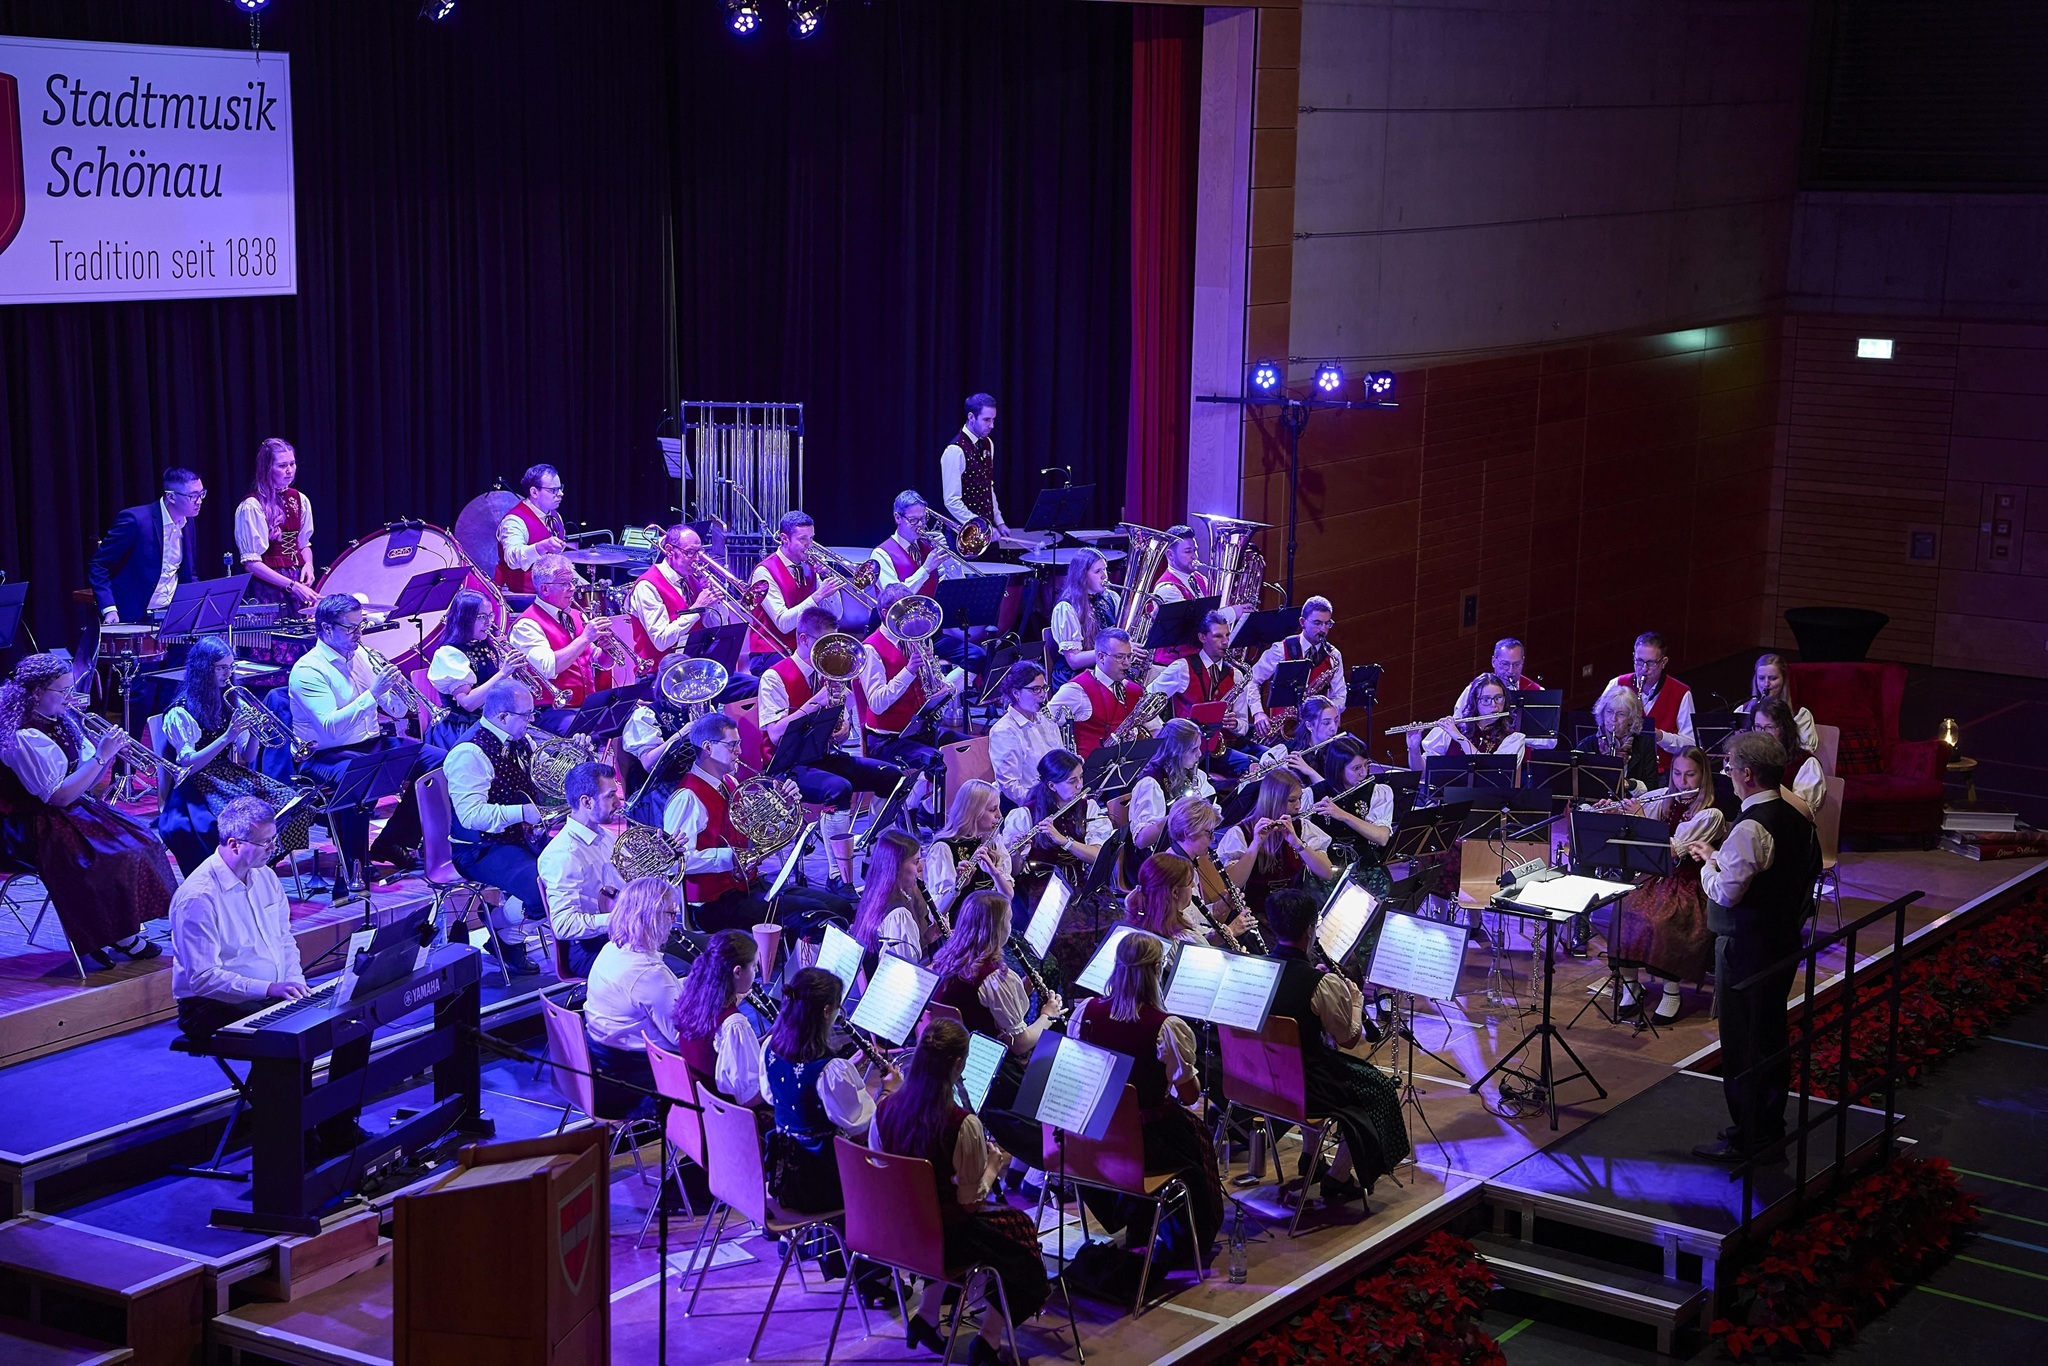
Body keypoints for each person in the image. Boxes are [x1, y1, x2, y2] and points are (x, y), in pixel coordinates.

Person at [169, 796, 369, 1152]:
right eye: (266, 843)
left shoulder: (265, 878)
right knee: (294, 1034)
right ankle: (296, 1144)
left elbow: (284, 940)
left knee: (353, 1020)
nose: (273, 848)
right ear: (234, 844)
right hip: (209, 1005)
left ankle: (339, 1128)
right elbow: (202, 978)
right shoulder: (197, 897)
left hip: (272, 993)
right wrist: (269, 988)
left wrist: (295, 984)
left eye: (274, 839)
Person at [870, 1018, 1051, 1365]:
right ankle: (988, 1340)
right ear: (956, 1065)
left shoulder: (884, 1110)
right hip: (941, 1239)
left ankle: (926, 1316)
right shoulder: (962, 1123)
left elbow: (883, 1170)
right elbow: (968, 1204)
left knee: (950, 1214)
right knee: (1021, 1240)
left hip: (894, 1232)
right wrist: (993, 1166)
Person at [1688, 731, 1819, 1163]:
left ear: (1746, 774)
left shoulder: (1750, 827)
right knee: (1768, 1036)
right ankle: (1766, 1128)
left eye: (1728, 766)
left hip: (1746, 948)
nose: (1726, 773)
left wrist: (1708, 865)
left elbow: (1726, 893)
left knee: (1744, 1044)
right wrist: (1720, 858)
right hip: (1781, 940)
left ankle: (1750, 1138)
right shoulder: (1797, 815)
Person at [0, 652, 173, 968]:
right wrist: (102, 756)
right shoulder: (24, 735)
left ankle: (122, 927)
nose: (69, 697)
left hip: (67, 809)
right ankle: (113, 934)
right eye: (62, 691)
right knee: (109, 856)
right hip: (32, 822)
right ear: (37, 693)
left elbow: (82, 779)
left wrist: (104, 753)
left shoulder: (58, 718)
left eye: (70, 688)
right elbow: (58, 796)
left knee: (144, 839)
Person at [1068, 930, 1224, 1261]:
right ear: (1155, 971)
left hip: (1094, 1137)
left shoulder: (1085, 1014)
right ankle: (1189, 1241)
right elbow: (1189, 1095)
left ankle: (1138, 1220)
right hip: (1146, 1142)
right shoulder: (1166, 1027)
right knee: (1196, 1141)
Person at [1262, 887, 1410, 1201]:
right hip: (1305, 1083)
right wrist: (1355, 1002)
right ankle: (1338, 1177)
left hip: (1259, 1076)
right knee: (1380, 1090)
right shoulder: (1321, 984)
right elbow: (1349, 1039)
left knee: (1310, 1062)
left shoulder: (1255, 968)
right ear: (1309, 931)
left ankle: (1310, 1156)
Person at [287, 595, 440, 877]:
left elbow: (395, 711)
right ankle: (355, 864)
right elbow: (331, 726)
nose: (359, 634)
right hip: (324, 754)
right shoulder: (308, 670)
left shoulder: (363, 657)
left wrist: (395, 691)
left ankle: (393, 842)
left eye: (361, 626)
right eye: (351, 628)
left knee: (440, 763)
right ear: (326, 628)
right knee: (361, 778)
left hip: (370, 744)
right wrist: (373, 692)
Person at [661, 711, 848, 937]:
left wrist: (785, 806)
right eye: (732, 745)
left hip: (748, 886)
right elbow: (675, 862)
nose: (739, 751)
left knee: (840, 907)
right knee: (816, 915)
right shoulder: (687, 798)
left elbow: (754, 833)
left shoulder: (729, 781)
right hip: (714, 905)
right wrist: (730, 858)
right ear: (708, 747)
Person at [757, 605, 905, 891]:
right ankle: (837, 874)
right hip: (786, 766)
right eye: (824, 643)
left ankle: (874, 855)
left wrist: (843, 727)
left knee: (892, 776)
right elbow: (774, 734)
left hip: (824, 756)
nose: (831, 652)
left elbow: (844, 728)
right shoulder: (774, 677)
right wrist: (816, 702)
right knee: (838, 789)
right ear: (803, 639)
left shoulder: (830, 674)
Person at [158, 636, 309, 876]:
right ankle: (243, 869)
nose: (228, 673)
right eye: (221, 668)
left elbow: (248, 755)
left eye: (231, 666)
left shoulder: (232, 699)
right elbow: (187, 764)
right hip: (196, 783)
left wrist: (257, 733)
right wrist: (228, 736)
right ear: (203, 669)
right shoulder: (181, 710)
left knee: (289, 801)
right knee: (246, 818)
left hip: (228, 774)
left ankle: (261, 865)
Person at [930, 890, 1063, 1158]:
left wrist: (1022, 990)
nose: (1011, 928)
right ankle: (1046, 1159)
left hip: (951, 1060)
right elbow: (1020, 1043)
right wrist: (1047, 1015)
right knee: (1056, 1074)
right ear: (996, 929)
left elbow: (983, 1010)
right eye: (1008, 922)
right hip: (989, 1069)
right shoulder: (994, 977)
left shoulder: (946, 959)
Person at [1598, 746, 1725, 1023]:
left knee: (1663, 919)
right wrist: (1615, 812)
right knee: (1622, 907)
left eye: (1690, 775)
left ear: (1703, 775)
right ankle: (1631, 986)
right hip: (1655, 878)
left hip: (1691, 884)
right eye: (1677, 774)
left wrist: (1641, 818)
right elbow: (1635, 818)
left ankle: (1671, 992)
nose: (1682, 782)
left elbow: (1673, 850)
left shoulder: (1711, 814)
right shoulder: (1665, 798)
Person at [762, 966, 898, 1214]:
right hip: (822, 1182)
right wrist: (889, 1091)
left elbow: (778, 1096)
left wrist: (848, 1067)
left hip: (784, 1174)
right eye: (838, 1008)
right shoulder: (830, 1070)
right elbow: (864, 1131)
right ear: (826, 1011)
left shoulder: (771, 1047)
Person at [443, 679, 549, 975]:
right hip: (479, 848)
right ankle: (502, 926)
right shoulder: (469, 753)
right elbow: (471, 816)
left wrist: (574, 754)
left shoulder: (521, 740)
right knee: (545, 889)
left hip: (521, 839)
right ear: (502, 716)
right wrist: (523, 812)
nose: (531, 720)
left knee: (575, 871)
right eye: (526, 715)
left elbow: (545, 777)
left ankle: (505, 934)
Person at [858, 582, 967, 825]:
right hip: (888, 740)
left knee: (968, 747)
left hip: (919, 730)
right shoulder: (871, 649)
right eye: (904, 611)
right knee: (936, 761)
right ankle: (923, 816)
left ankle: (924, 808)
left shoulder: (913, 638)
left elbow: (931, 685)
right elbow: (877, 703)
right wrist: (909, 671)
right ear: (886, 613)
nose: (911, 618)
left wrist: (943, 688)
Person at [584, 878, 686, 1120]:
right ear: (652, 916)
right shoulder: (649, 973)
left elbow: (652, 997)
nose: (674, 921)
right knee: (720, 1071)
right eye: (671, 914)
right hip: (632, 1080)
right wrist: (723, 1003)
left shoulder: (613, 949)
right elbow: (682, 1037)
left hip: (601, 1063)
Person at [1147, 610, 1268, 774]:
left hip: (1227, 744)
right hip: (1194, 750)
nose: (1225, 642)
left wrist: (1235, 724)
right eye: (1218, 636)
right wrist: (1163, 731)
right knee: (1253, 765)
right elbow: (1148, 699)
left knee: (1272, 757)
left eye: (1227, 635)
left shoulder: (1236, 675)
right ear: (1202, 637)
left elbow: (1243, 727)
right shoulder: (1182, 668)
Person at [538, 760, 623, 978]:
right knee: (677, 972)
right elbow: (563, 925)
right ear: (586, 802)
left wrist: (667, 857)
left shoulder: (606, 837)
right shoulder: (563, 854)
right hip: (588, 948)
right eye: (610, 796)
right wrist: (621, 917)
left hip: (621, 935)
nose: (618, 803)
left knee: (700, 958)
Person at [89, 467, 204, 624]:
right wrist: (109, 608)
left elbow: (188, 571)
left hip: (171, 615)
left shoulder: (188, 522)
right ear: (171, 496)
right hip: (132, 616)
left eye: (202, 494)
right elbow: (99, 565)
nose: (199, 501)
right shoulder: (135, 521)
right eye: (193, 496)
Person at [511, 554, 617, 717]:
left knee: (625, 717)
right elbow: (548, 668)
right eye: (564, 583)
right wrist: (585, 638)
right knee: (592, 730)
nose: (572, 588)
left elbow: (599, 662)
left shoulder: (576, 615)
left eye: (572, 581)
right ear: (544, 589)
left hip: (584, 707)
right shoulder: (526, 625)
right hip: (550, 711)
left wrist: (607, 651)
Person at [1220, 771, 1335, 920]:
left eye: (1300, 798)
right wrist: (1255, 844)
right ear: (1273, 800)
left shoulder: (1302, 827)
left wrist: (1297, 843)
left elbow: (1327, 873)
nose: (1299, 806)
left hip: (1293, 915)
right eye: (1292, 800)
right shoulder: (1241, 833)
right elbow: (1232, 884)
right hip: (1254, 917)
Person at [671, 928, 767, 1106]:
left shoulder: (694, 1000)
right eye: (754, 966)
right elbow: (749, 1098)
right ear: (737, 972)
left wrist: (766, 1041)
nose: (756, 971)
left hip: (700, 1102)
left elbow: (725, 1052)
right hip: (727, 1113)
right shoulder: (734, 1024)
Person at [999, 749, 1110, 898]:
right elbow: (1013, 873)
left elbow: (1097, 856)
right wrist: (1016, 854)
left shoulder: (1089, 808)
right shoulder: (1025, 815)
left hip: (1080, 887)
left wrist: (1065, 841)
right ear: (1052, 786)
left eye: (1081, 777)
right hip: (1038, 892)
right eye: (1072, 781)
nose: (1080, 785)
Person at [424, 589, 523, 751]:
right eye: (481, 617)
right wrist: (503, 673)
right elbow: (468, 703)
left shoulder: (487, 646)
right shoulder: (449, 654)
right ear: (464, 619)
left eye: (490, 615)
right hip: (463, 728)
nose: (489, 622)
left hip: (492, 721)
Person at [748, 511, 846, 662]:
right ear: (784, 539)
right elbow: (783, 624)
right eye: (802, 539)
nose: (809, 545)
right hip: (771, 653)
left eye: (811, 538)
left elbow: (836, 615)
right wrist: (818, 595)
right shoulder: (764, 571)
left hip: (803, 650)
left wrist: (827, 578)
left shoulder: (810, 567)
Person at [235, 438, 321, 611]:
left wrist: (308, 565)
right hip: (267, 587)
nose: (289, 470)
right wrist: (292, 585)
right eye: (282, 466)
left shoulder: (300, 499)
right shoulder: (252, 505)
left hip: (297, 584)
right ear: (267, 469)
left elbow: (303, 544)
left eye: (292, 464)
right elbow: (251, 563)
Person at [1598, 631, 1695, 772]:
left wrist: (1661, 736)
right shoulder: (1617, 684)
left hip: (1661, 772)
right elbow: (1599, 725)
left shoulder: (1681, 693)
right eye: (1639, 661)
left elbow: (1691, 744)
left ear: (1663, 662)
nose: (1644, 669)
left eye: (1651, 663)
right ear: (1633, 657)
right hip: (1621, 768)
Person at [850, 828, 944, 974]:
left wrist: (925, 939)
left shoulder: (873, 897)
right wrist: (945, 961)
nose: (921, 867)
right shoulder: (898, 916)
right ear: (897, 867)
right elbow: (903, 976)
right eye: (916, 862)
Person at [1048, 627, 1147, 760]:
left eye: (1129, 656)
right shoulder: (1076, 690)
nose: (1127, 664)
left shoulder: (1134, 689)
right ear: (1101, 657)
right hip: (1090, 770)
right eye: (1120, 657)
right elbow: (1045, 724)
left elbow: (1154, 729)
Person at [925, 780, 1015, 924]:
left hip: (990, 923)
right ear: (974, 812)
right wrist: (957, 887)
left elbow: (1008, 895)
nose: (999, 815)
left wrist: (994, 873)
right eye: (992, 810)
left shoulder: (993, 840)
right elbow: (936, 914)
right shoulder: (943, 848)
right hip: (962, 928)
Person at [626, 523, 717, 666]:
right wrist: (697, 608)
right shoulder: (647, 585)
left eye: (699, 552)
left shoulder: (691, 579)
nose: (697, 559)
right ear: (669, 550)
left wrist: (715, 600)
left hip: (692, 666)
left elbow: (716, 626)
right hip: (659, 671)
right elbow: (661, 640)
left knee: (745, 680)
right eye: (690, 552)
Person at [1252, 597, 1347, 731]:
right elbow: (1252, 680)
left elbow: (1340, 696)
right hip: (1283, 730)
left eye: (1327, 623)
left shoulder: (1333, 655)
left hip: (1317, 731)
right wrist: (1258, 713)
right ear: (1302, 622)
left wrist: (1322, 712)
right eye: (1317, 623)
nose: (1323, 629)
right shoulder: (1281, 650)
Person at [1128, 719, 1216, 853]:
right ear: (1175, 752)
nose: (1199, 754)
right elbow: (1141, 840)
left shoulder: (1196, 775)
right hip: (1157, 859)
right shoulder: (1150, 784)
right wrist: (1181, 815)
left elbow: (1214, 810)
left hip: (1186, 850)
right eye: (1193, 750)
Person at [939, 393, 1014, 543]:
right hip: (964, 535)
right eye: (987, 420)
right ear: (971, 417)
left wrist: (999, 521)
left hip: (986, 531)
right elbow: (951, 501)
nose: (992, 425)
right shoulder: (955, 451)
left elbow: (988, 487)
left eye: (993, 419)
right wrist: (980, 525)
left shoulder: (988, 444)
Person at [987, 662, 1065, 807]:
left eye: (1044, 688)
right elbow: (1010, 786)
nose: (1043, 695)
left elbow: (1059, 762)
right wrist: (1042, 804)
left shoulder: (1047, 720)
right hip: (1024, 806)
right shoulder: (1004, 731)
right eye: (1035, 689)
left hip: (1054, 798)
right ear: (1016, 693)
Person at [1048, 548, 1122, 684]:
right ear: (1082, 576)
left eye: (1105, 569)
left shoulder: (1112, 597)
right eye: (1097, 571)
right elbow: (1074, 661)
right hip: (1076, 677)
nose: (1104, 576)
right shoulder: (1066, 607)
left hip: (1105, 671)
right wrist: (1116, 651)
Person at [495, 463, 569, 595]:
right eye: (553, 490)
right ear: (534, 492)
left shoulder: (555, 515)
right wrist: (541, 547)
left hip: (548, 595)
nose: (561, 494)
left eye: (560, 488)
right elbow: (512, 559)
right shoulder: (514, 520)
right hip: (518, 596)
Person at [1748, 698, 1826, 817]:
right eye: (1758, 727)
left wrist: (1767, 781)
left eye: (1769, 727)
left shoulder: (1805, 763)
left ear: (1784, 729)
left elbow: (1806, 812)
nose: (1762, 734)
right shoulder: (1750, 758)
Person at [1423, 672, 1528, 760]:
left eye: (1498, 698)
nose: (1494, 704)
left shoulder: (1513, 739)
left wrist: (1460, 738)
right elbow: (1424, 772)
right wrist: (1414, 750)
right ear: (1475, 702)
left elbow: (1489, 769)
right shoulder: (1453, 728)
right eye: (1486, 699)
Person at [1738, 653, 1819, 753]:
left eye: (1773, 678)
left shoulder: (1800, 714)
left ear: (1784, 679)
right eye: (1761, 678)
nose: (1766, 684)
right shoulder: (1742, 710)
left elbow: (1804, 752)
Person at [1122, 851, 1207, 946]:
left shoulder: (1135, 926)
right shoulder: (1184, 942)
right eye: (1189, 882)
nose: (1193, 885)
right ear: (1175, 892)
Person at [1589, 686, 1661, 791]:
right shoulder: (1588, 745)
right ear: (1602, 713)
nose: (1613, 719)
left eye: (1621, 714)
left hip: (1632, 801)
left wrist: (1629, 784)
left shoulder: (1645, 744)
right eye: (1609, 712)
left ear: (1631, 718)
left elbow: (1652, 785)